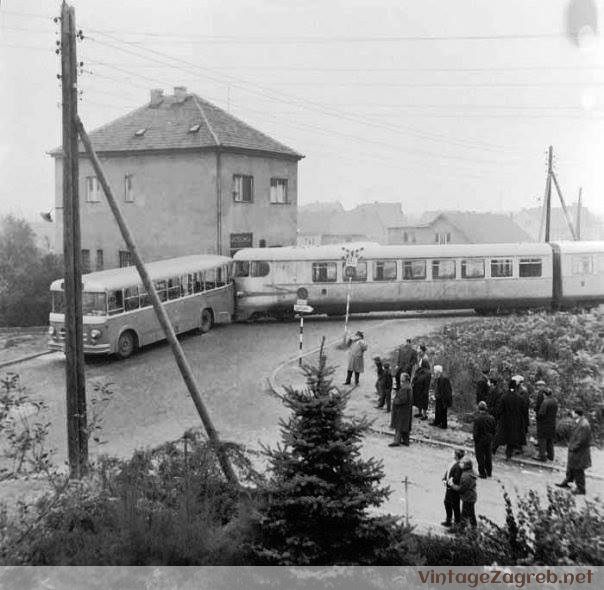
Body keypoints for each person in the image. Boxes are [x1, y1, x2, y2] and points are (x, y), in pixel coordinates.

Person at [556, 408, 592, 495]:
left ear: (577, 414)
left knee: (578, 469)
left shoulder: (584, 425)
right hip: (576, 449)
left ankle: (581, 488)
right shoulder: (580, 422)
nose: (572, 413)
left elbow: (582, 440)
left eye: (573, 412)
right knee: (571, 467)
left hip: (579, 451)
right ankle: (567, 481)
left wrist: (573, 447)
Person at [493, 378, 524, 460]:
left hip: (504, 421)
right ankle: (508, 455)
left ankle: (492, 451)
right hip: (514, 422)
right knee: (511, 440)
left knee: (499, 437)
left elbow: (499, 409)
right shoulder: (519, 398)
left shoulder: (504, 396)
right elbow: (521, 410)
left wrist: (498, 417)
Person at [441, 448, 464, 528]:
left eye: (454, 453)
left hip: (453, 489)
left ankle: (456, 522)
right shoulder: (453, 463)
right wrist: (444, 478)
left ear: (457, 455)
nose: (452, 454)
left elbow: (456, 478)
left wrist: (449, 482)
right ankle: (449, 519)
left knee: (455, 505)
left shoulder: (459, 466)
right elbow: (448, 471)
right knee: (447, 503)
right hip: (449, 487)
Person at [473, 401, 496, 478]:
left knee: (480, 457)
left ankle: (482, 473)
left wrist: (476, 440)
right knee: (488, 456)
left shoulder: (477, 419)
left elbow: (475, 432)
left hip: (480, 440)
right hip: (489, 440)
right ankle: (489, 472)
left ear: (479, 408)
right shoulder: (491, 418)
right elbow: (494, 430)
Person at [453, 458, 478, 530]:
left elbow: (461, 489)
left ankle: (461, 529)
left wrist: (453, 486)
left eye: (462, 463)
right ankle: (474, 527)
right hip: (472, 496)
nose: (460, 464)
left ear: (466, 466)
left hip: (467, 497)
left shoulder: (465, 476)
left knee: (464, 514)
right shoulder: (471, 472)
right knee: (471, 513)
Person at [389, 372, 413, 446]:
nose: (401, 382)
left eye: (402, 381)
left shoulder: (405, 389)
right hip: (407, 410)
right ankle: (406, 441)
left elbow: (402, 399)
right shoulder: (409, 387)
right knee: (405, 426)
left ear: (406, 381)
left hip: (401, 410)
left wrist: (394, 400)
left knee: (399, 426)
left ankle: (397, 441)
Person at [535, 388, 558, 461]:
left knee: (542, 440)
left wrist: (537, 417)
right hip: (552, 423)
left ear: (544, 394)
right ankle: (551, 456)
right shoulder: (555, 401)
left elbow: (541, 414)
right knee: (550, 441)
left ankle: (542, 456)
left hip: (544, 424)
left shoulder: (545, 402)